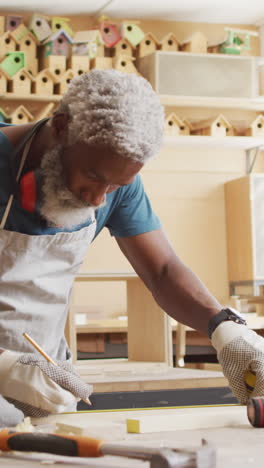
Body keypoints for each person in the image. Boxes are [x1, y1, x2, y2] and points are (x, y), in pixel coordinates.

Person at [0, 69, 263, 428]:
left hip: (47, 381)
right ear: (61, 127)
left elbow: (163, 270)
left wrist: (224, 328)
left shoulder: (116, 183)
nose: (97, 198)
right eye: (93, 176)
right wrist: (4, 366)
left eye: (114, 185)